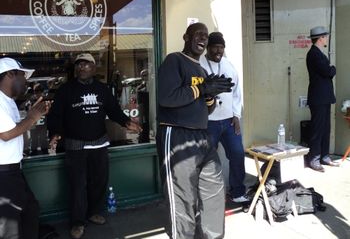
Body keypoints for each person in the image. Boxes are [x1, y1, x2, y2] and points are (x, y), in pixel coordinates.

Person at [47, 53, 142, 239]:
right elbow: (55, 115)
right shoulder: (66, 90)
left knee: (99, 182)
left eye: (86, 64)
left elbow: (114, 110)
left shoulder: (102, 89)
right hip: (75, 145)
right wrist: (55, 133)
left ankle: (93, 212)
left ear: (93, 68)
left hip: (99, 142)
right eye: (79, 65)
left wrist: (126, 122)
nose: (82, 68)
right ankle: (77, 222)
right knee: (77, 186)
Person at [156, 22, 234, 239]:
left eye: (206, 36)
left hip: (202, 135)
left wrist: (209, 95)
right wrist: (202, 88)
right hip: (177, 135)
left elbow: (206, 109)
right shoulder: (174, 60)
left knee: (214, 193)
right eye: (198, 34)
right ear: (186, 37)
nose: (203, 39)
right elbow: (167, 98)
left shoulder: (201, 70)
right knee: (183, 198)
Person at [0, 57, 51, 239]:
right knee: (10, 227)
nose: (26, 81)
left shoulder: (9, 101)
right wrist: (33, 118)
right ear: (10, 75)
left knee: (30, 210)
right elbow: (6, 134)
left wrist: (31, 115)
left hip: (13, 171)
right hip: (3, 175)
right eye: (23, 76)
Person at [199, 32, 249, 203]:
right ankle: (206, 196)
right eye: (215, 47)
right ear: (208, 47)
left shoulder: (228, 65)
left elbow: (237, 93)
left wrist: (236, 116)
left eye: (221, 47)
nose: (218, 51)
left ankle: (237, 192)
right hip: (208, 123)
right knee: (205, 160)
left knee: (237, 154)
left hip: (228, 121)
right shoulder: (199, 65)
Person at [306, 26, 339, 172]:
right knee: (318, 129)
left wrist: (331, 69)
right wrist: (332, 69)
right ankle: (314, 158)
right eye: (325, 36)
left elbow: (327, 71)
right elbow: (328, 71)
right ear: (320, 38)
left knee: (325, 128)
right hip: (318, 98)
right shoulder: (314, 54)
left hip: (323, 98)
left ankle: (324, 156)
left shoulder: (319, 53)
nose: (326, 38)